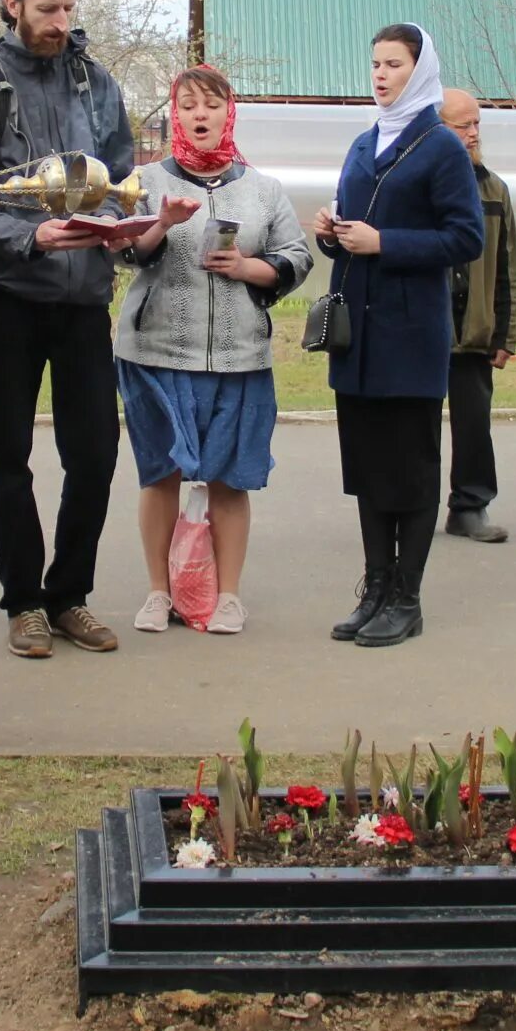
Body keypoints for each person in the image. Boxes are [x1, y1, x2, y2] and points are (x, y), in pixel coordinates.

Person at [0, 0, 138, 661]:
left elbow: (121, 178)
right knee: (10, 457)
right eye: (48, 8)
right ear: (12, 2)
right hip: (7, 300)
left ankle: (69, 596)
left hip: (84, 299)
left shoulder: (97, 83)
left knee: (95, 454)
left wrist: (129, 226)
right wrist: (30, 238)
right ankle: (24, 601)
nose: (60, 22)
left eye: (69, 8)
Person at [113, 66, 313, 636]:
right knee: (160, 476)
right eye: (188, 106)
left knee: (230, 479)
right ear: (175, 115)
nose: (200, 116)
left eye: (212, 105)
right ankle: (158, 592)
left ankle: (227, 596)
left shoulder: (264, 189)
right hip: (154, 354)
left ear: (230, 113)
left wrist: (251, 268)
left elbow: (296, 257)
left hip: (238, 359)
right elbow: (119, 250)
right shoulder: (145, 180)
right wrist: (159, 226)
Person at [309, 24, 484, 648]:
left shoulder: (440, 147)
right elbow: (354, 216)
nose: (380, 74)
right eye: (375, 63)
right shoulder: (363, 141)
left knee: (407, 467)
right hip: (357, 335)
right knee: (367, 467)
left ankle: (406, 598)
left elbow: (467, 238)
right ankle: (375, 587)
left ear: (421, 70)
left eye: (394, 64)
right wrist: (333, 231)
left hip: (409, 335)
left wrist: (385, 242)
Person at [439, 89, 516, 544]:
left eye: (476, 126)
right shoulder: (422, 184)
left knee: (473, 424)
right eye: (462, 126)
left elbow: (508, 265)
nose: (472, 134)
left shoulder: (494, 189)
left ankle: (470, 508)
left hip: (474, 331)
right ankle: (409, 511)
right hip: (426, 329)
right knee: (416, 429)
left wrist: (505, 334)